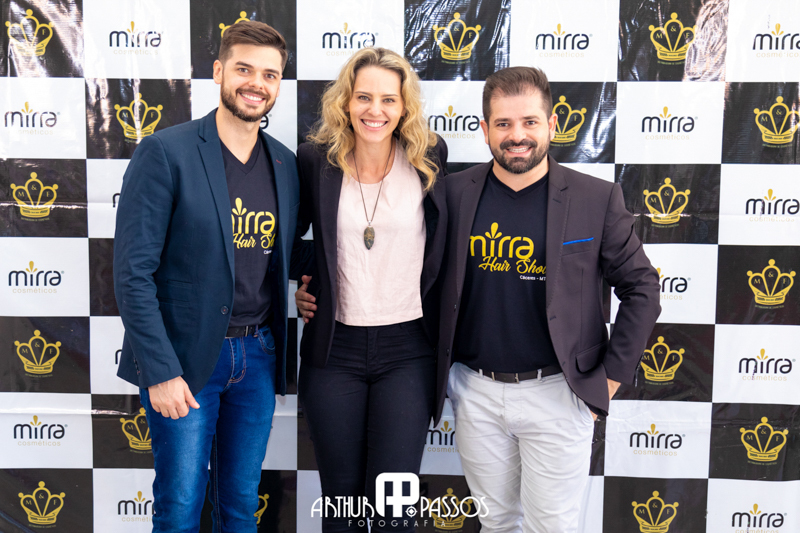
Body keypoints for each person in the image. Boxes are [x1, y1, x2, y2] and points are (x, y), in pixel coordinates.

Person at [436, 67, 661, 532]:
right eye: (503, 123)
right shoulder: (453, 193)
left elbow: (642, 287)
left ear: (552, 124)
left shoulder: (595, 198)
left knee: (551, 526)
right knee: (496, 523)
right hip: (475, 391)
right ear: (485, 129)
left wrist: (608, 381)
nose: (517, 136)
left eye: (529, 122)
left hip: (559, 392)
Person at [113, 21, 301, 533]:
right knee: (179, 509)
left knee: (240, 506)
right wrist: (160, 370)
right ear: (218, 71)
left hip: (258, 356)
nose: (256, 83)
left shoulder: (284, 163)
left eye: (269, 74)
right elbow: (132, 273)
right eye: (244, 69)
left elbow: (285, 252)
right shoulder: (166, 151)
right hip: (186, 360)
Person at [293, 47, 447, 532]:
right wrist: (312, 279)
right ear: (345, 101)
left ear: (404, 107)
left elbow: (442, 243)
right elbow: (286, 241)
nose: (374, 110)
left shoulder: (429, 156)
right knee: (341, 506)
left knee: (393, 508)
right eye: (363, 97)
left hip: (409, 351)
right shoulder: (315, 160)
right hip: (334, 349)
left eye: (388, 99)